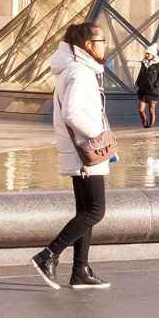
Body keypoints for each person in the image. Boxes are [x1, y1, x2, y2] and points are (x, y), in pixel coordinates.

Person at [30, 21, 113, 291]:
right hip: (85, 150)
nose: (105, 46)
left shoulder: (74, 69)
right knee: (95, 210)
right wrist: (99, 135)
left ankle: (80, 270)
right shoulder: (80, 71)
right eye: (101, 41)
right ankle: (48, 255)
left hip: (80, 148)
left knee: (85, 210)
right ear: (88, 45)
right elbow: (72, 113)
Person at [135, 46, 159, 129]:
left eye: (148, 54)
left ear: (153, 55)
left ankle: (150, 127)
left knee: (151, 110)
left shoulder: (158, 66)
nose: (146, 55)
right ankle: (145, 122)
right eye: (146, 53)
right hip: (143, 91)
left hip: (152, 91)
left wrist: (156, 85)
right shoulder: (144, 64)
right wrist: (138, 83)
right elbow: (140, 75)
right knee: (141, 109)